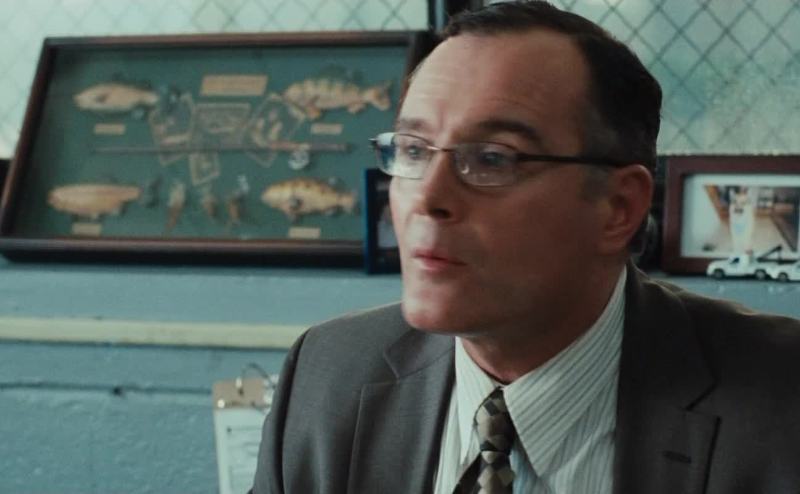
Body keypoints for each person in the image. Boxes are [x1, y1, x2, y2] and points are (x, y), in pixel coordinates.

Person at [251, 2, 800, 493]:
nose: (429, 198)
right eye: (414, 151)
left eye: (492, 158)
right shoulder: (328, 374)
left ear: (618, 208)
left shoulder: (781, 400)